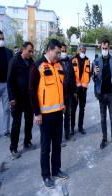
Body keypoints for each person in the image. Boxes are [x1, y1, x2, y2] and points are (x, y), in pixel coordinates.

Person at [30, 39, 69, 188]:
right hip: (45, 115)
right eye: (57, 52)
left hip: (58, 113)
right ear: (49, 50)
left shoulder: (58, 66)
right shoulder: (37, 66)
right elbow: (32, 91)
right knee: (46, 147)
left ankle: (56, 169)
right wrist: (36, 113)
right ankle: (46, 175)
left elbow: (61, 88)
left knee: (57, 144)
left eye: (60, 53)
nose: (58, 55)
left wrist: (63, 104)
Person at [7, 42, 35, 159]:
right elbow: (9, 81)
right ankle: (14, 147)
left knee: (29, 121)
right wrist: (12, 98)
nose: (31, 53)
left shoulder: (31, 62)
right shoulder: (14, 61)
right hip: (17, 98)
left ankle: (27, 141)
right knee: (16, 124)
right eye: (29, 51)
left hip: (29, 98)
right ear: (23, 49)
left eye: (32, 51)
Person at [94, 39, 112, 150]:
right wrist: (95, 74)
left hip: (111, 94)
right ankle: (104, 139)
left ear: (109, 48)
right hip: (101, 94)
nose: (104, 50)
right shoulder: (96, 62)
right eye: (103, 48)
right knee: (103, 119)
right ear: (101, 48)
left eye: (106, 48)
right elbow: (94, 80)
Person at [71, 45, 91, 135]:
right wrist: (73, 89)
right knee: (73, 109)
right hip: (75, 90)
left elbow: (88, 74)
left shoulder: (87, 60)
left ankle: (80, 127)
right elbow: (71, 75)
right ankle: (72, 128)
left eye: (84, 51)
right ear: (78, 51)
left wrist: (87, 83)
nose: (83, 53)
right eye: (82, 51)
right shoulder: (73, 60)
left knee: (82, 109)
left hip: (83, 90)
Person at [60, 43, 76, 140]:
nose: (64, 52)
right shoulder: (56, 62)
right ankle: (58, 135)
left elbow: (73, 77)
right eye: (62, 51)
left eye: (65, 51)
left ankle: (67, 133)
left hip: (69, 93)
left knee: (67, 114)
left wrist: (74, 91)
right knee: (58, 116)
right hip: (59, 94)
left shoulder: (69, 62)